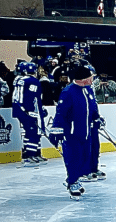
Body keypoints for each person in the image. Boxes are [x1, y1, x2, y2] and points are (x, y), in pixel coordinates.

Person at [47, 63, 101, 199]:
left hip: (86, 132)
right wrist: (57, 130)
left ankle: (75, 178)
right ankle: (72, 182)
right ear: (83, 78)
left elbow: (92, 107)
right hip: (72, 133)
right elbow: (61, 113)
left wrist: (97, 118)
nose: (93, 79)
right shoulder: (68, 92)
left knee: (85, 157)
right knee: (74, 158)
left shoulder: (88, 90)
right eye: (91, 77)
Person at [12, 61, 49, 166]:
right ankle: (30, 155)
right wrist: (39, 111)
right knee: (34, 132)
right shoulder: (33, 81)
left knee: (29, 132)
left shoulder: (18, 80)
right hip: (30, 111)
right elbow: (34, 98)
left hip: (19, 111)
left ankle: (33, 153)